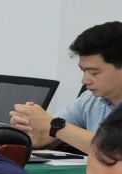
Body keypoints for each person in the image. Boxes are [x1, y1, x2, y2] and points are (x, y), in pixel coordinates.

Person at [10, 21, 122, 156]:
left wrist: (50, 123)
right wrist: (29, 127)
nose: (85, 80)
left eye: (94, 73)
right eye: (83, 71)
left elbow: (114, 150)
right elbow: (48, 135)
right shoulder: (90, 99)